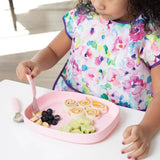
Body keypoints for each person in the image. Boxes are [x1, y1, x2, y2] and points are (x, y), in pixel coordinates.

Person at [16, 0, 160, 159]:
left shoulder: (149, 34)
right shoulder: (83, 16)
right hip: (67, 115)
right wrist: (36, 63)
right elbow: (53, 51)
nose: (99, 4)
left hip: (122, 126)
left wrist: (146, 129)